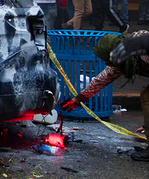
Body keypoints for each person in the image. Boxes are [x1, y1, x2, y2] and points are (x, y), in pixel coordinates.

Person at [62, 32, 149, 161]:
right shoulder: (122, 61)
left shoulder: (140, 50)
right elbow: (101, 80)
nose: (105, 62)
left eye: (106, 59)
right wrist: (77, 100)